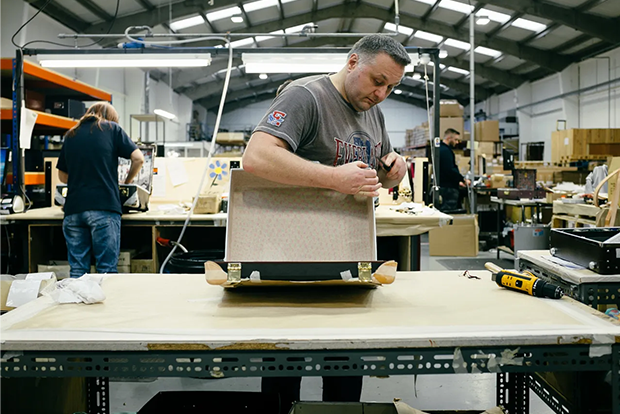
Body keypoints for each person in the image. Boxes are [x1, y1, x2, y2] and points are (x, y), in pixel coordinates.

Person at [242, 34, 409, 413]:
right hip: (293, 260)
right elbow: (256, 157)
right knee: (286, 364)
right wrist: (333, 178)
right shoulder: (306, 97)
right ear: (352, 62)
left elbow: (374, 172)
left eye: (391, 88)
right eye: (377, 81)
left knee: (347, 363)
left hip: (350, 255)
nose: (382, 94)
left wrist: (392, 170)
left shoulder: (373, 111)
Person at [57, 102, 144, 278]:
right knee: (106, 270)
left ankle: (78, 297)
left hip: (74, 210)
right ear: (111, 119)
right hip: (104, 207)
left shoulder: (71, 134)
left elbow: (62, 177)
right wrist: (126, 182)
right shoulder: (112, 129)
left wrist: (81, 179)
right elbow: (138, 159)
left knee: (78, 271)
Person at [438, 128, 470, 212]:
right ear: (449, 138)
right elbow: (450, 170)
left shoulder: (440, 149)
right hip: (448, 189)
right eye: (455, 139)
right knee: (450, 212)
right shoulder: (445, 151)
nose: (457, 142)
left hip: (444, 185)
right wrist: (462, 179)